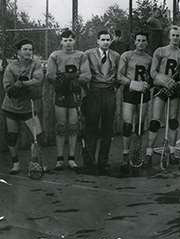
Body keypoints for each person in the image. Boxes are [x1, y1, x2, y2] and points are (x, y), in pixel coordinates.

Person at [47, 29, 91, 170]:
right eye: (65, 40)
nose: (68, 43)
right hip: (61, 92)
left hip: (75, 93)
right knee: (61, 126)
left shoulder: (81, 55)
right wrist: (63, 81)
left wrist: (76, 81)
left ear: (75, 41)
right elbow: (50, 75)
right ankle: (60, 159)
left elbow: (87, 75)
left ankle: (71, 158)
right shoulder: (55, 55)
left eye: (71, 40)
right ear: (61, 41)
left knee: (72, 126)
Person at [146, 25, 180, 166]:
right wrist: (164, 81)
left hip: (174, 90)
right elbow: (153, 72)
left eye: (178, 35)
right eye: (173, 35)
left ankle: (172, 153)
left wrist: (177, 84)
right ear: (169, 36)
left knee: (173, 121)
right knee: (155, 121)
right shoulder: (160, 51)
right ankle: (149, 153)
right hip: (160, 88)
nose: (175, 38)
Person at [2, 39, 44, 174]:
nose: (28, 52)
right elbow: (9, 89)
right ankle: (16, 164)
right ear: (18, 51)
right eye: (25, 49)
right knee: (12, 136)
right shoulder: (11, 67)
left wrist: (24, 84)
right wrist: (18, 86)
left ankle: (34, 162)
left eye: (30, 49)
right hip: (11, 107)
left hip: (28, 107)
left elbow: (38, 81)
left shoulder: (36, 65)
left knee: (38, 135)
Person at [84, 30, 121, 175]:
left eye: (108, 40)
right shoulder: (88, 54)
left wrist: (113, 88)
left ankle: (103, 162)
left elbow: (119, 75)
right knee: (91, 127)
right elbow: (84, 74)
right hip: (94, 92)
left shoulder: (116, 56)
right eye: (103, 40)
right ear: (97, 41)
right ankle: (89, 162)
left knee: (107, 128)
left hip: (109, 93)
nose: (106, 42)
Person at [117, 32, 153, 173]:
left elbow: (152, 76)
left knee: (139, 125)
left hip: (143, 94)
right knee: (127, 124)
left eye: (144, 40)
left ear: (147, 42)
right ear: (134, 42)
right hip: (130, 92)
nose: (141, 43)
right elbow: (119, 76)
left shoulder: (149, 59)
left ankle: (137, 153)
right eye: (138, 40)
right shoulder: (126, 55)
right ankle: (125, 154)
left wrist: (148, 84)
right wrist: (132, 83)